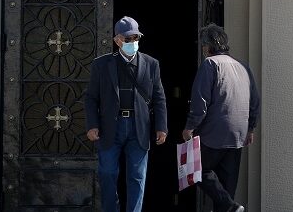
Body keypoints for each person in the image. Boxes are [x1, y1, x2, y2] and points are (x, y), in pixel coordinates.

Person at [85, 16, 168, 212]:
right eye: (128, 39)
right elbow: (90, 98)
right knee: (107, 173)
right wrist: (92, 125)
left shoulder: (151, 64)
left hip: (138, 126)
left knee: (137, 177)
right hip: (110, 127)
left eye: (136, 38)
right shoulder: (101, 65)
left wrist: (161, 127)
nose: (133, 42)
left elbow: (159, 98)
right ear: (117, 40)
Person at [183, 24, 261, 212]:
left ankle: (231, 206)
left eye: (203, 46)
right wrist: (251, 128)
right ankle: (229, 205)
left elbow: (200, 101)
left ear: (207, 46)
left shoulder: (210, 64)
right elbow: (255, 101)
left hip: (214, 133)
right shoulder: (243, 66)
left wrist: (190, 127)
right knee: (227, 187)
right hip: (238, 135)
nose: (203, 50)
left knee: (194, 169)